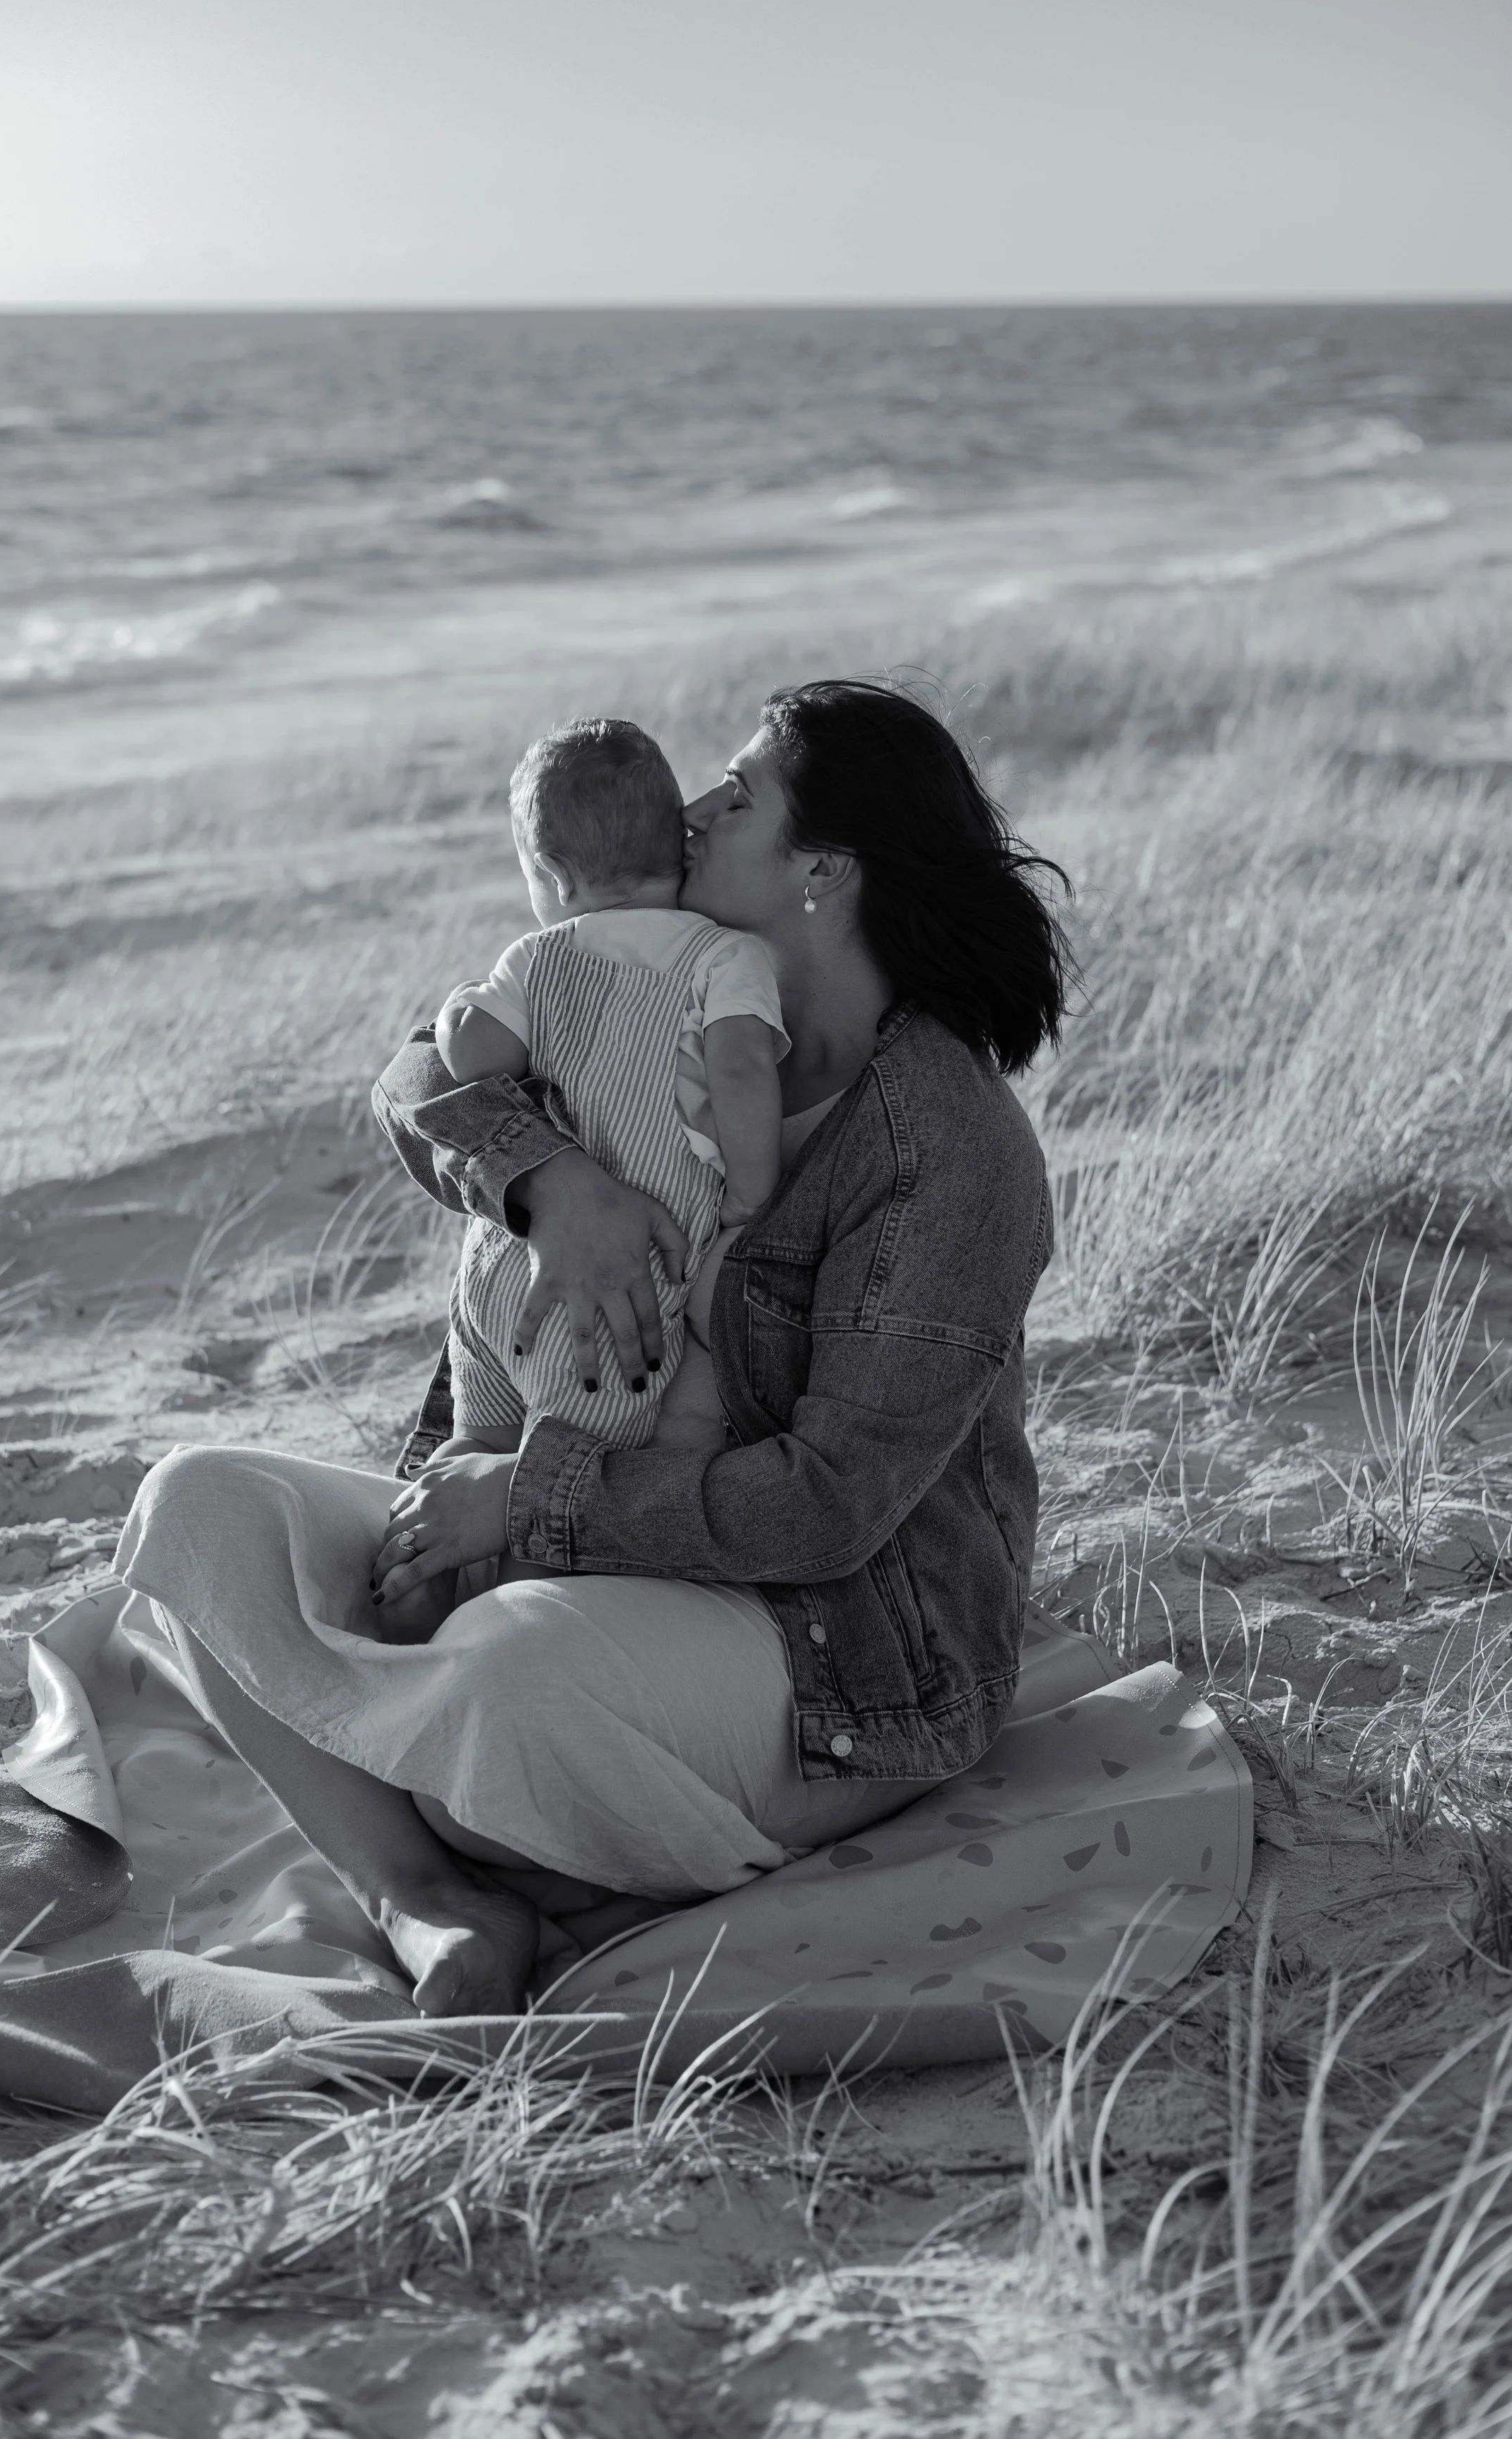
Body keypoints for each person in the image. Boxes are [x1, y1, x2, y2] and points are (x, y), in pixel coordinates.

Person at [113, 678, 1071, 2019]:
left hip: (825, 1661)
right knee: (195, 1511)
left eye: (737, 798)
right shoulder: (639, 972)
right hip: (569, 1565)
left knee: (509, 1669)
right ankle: (428, 1896)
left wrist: (529, 1498)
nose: (686, 811)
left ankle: (455, 1769)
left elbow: (827, 1509)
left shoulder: (944, 1146)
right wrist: (554, 1188)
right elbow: (416, 1079)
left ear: (823, 874)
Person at [421, 714, 785, 1507]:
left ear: (551, 874)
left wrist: (457, 1011)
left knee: (470, 1452)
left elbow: (472, 1061)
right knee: (545, 1491)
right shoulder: (726, 958)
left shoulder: (533, 958)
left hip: (497, 1271)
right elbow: (742, 1064)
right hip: (620, 1294)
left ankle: (417, 1592)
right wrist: (752, 1195)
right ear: (677, 845)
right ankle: (516, 1617)